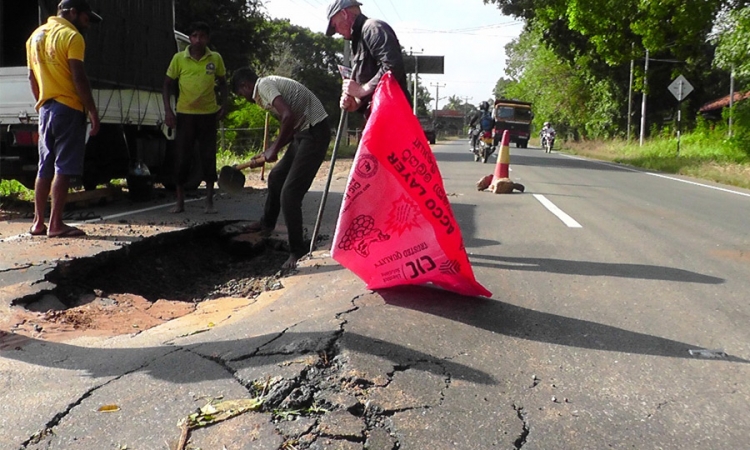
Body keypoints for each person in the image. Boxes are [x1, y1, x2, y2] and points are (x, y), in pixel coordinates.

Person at [231, 67, 331, 270]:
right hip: (303, 132)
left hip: (314, 131)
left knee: (290, 193)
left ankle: (297, 250)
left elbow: (288, 116)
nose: (243, 97)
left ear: (245, 85)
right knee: (276, 177)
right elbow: (291, 124)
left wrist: (274, 149)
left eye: (240, 93)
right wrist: (270, 151)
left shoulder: (263, 86)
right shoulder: (266, 88)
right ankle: (266, 224)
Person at [27, 0, 102, 238]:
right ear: (72, 13)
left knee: (44, 166)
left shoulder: (35, 36)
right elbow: (78, 77)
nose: (87, 24)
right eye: (86, 18)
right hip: (68, 107)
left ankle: (38, 222)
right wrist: (91, 110)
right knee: (63, 167)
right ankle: (56, 224)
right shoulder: (72, 36)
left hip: (46, 109)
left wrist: (42, 102)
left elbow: (32, 77)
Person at [163, 21, 228, 214]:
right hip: (185, 115)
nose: (198, 40)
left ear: (208, 38)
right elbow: (167, 84)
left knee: (208, 157)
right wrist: (168, 110)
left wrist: (224, 105)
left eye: (202, 36)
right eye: (194, 36)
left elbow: (223, 83)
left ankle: (209, 202)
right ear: (190, 38)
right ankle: (179, 202)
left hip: (208, 115)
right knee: (182, 157)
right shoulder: (179, 59)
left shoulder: (215, 58)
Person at [325, 0, 410, 117]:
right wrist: (356, 103)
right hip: (380, 117)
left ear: (344, 14)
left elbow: (392, 66)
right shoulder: (358, 41)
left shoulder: (373, 28)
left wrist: (362, 90)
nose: (336, 32)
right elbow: (370, 85)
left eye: (335, 26)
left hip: (393, 117)